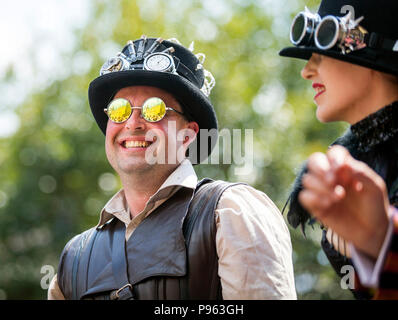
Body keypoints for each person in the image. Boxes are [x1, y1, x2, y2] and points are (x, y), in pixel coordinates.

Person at [48, 36, 296, 300]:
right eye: (119, 110)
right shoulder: (74, 258)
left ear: (187, 136)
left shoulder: (231, 212)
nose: (132, 123)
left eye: (153, 109)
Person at [279, 0, 398, 299]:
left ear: (373, 53)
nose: (307, 71)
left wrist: (380, 237)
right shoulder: (355, 167)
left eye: (322, 52)